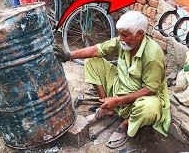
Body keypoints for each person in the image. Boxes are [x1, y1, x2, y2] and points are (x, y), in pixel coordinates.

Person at [54, 11, 171, 149]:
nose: (120, 38)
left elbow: (150, 90)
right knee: (92, 62)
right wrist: (68, 55)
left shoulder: (153, 54)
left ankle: (125, 124)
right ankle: (106, 108)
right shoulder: (122, 42)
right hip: (118, 86)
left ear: (139, 34)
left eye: (125, 35)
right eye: (120, 34)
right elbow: (97, 50)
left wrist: (118, 101)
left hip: (138, 99)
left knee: (149, 107)